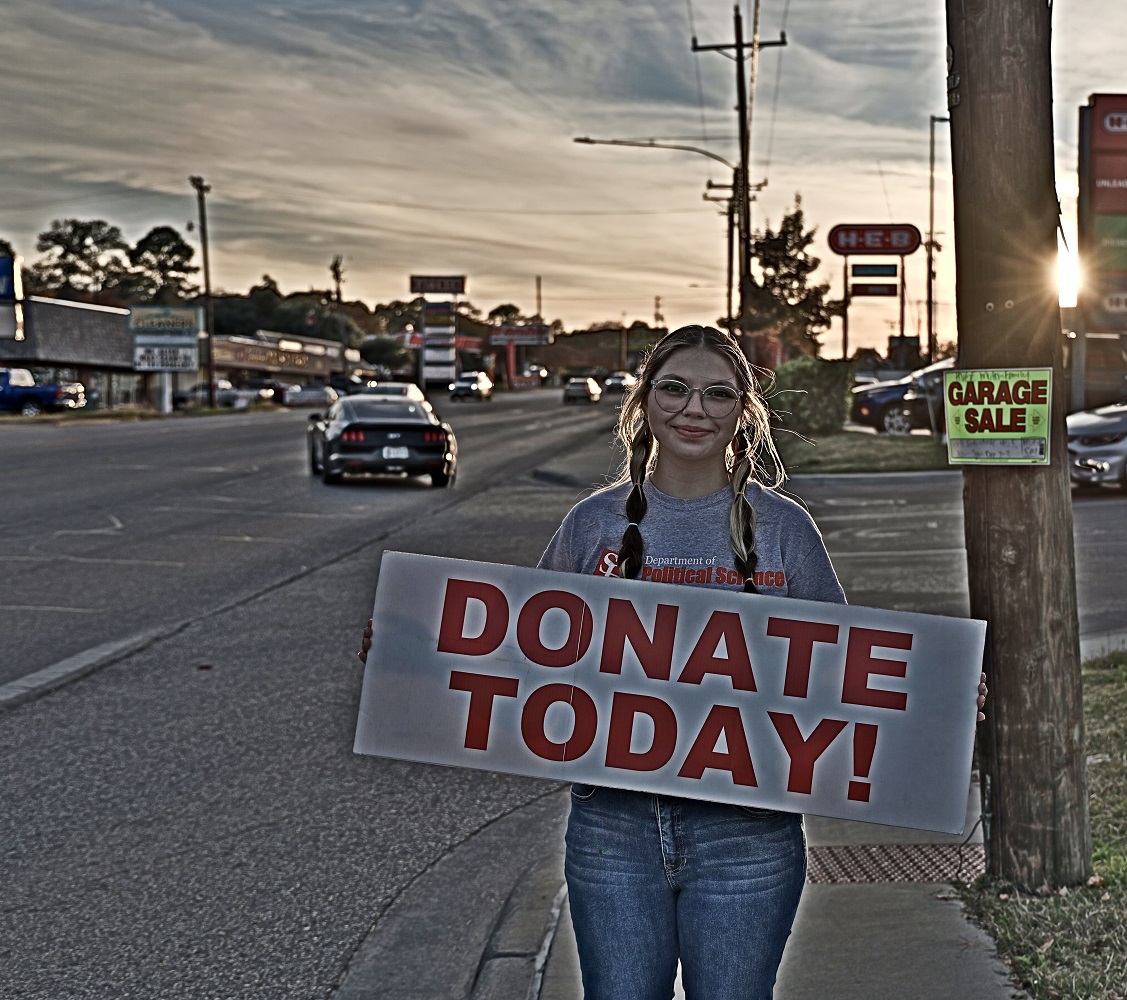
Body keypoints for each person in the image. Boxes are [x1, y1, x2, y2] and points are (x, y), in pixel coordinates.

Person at [360, 324, 984, 999]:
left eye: (718, 394)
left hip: (748, 836)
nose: (695, 409)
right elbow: (514, 659)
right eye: (676, 389)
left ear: (744, 411)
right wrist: (413, 648)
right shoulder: (592, 525)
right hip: (612, 829)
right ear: (644, 400)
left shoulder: (785, 531)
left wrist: (937, 693)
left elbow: (843, 676)